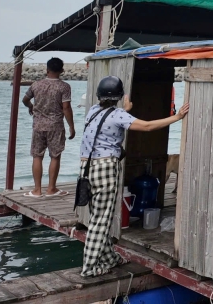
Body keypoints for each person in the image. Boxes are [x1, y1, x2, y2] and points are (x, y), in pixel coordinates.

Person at [79, 76, 188, 277]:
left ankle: (109, 258)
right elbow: (146, 126)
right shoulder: (118, 115)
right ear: (120, 96)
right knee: (101, 220)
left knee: (98, 215)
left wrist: (125, 110)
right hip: (105, 168)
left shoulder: (93, 111)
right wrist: (177, 117)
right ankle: (90, 267)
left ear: (99, 95)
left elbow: (111, 121)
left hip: (86, 169)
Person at [22, 57, 75, 197]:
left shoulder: (36, 85)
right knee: (55, 157)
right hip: (56, 126)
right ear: (62, 71)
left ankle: (37, 190)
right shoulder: (64, 87)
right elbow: (66, 108)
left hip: (38, 126)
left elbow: (25, 100)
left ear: (47, 70)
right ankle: (51, 189)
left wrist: (31, 106)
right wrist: (71, 126)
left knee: (37, 156)